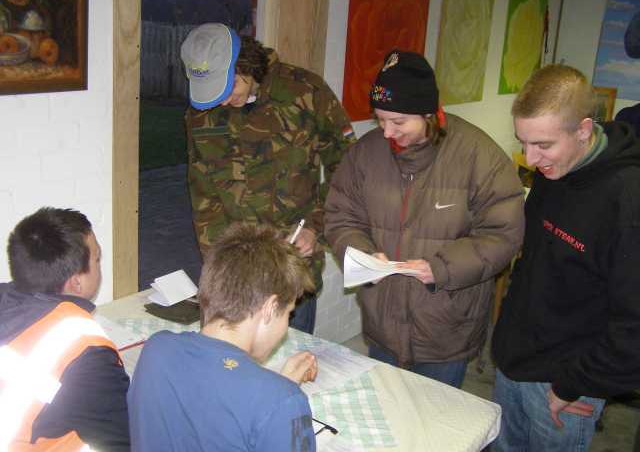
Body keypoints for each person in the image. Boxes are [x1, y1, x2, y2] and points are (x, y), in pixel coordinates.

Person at [324, 50, 524, 388]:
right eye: (380, 120)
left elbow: (503, 234)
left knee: (436, 415)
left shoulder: (479, 155)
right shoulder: (364, 154)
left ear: (428, 113)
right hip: (383, 319)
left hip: (446, 325)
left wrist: (442, 267)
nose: (387, 133)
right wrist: (362, 254)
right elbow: (341, 216)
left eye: (398, 122)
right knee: (387, 408)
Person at [491, 64, 640, 451]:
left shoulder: (627, 200)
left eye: (543, 144)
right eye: (523, 142)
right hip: (514, 362)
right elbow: (533, 265)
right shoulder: (552, 170)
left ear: (584, 130)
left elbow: (633, 328)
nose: (530, 158)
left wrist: (575, 385)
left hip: (564, 386)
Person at [180, 23, 354, 334]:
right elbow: (204, 198)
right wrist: (216, 268)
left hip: (292, 264)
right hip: (238, 272)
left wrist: (316, 226)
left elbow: (348, 165)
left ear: (244, 65)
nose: (222, 101)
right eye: (214, 93)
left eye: (229, 87)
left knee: (291, 354)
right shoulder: (201, 114)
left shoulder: (305, 92)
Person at [128, 222, 319, 451]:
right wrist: (283, 394)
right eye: (289, 313)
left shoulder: (156, 349)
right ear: (269, 308)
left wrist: (280, 388)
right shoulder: (284, 402)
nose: (287, 324)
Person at [0, 207, 130, 451]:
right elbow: (122, 441)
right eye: (97, 259)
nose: (99, 264)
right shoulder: (86, 350)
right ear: (76, 282)